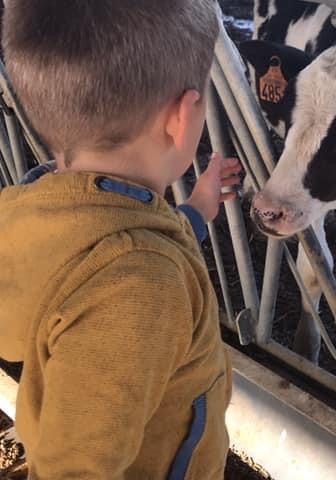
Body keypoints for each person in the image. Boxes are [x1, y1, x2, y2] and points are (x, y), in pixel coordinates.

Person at [0, 1, 241, 478]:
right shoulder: (141, 289)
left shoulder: (35, 212)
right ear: (182, 117)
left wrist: (196, 209)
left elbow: (115, 245)